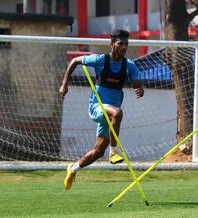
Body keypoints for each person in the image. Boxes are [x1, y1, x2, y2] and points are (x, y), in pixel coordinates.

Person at [59, 29, 144, 190]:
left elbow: (137, 86)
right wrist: (65, 83)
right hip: (97, 107)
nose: (124, 47)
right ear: (112, 44)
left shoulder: (130, 65)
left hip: (110, 117)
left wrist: (139, 90)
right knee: (118, 113)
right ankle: (114, 151)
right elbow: (75, 61)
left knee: (98, 152)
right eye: (120, 44)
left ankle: (73, 169)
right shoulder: (100, 60)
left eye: (126, 44)